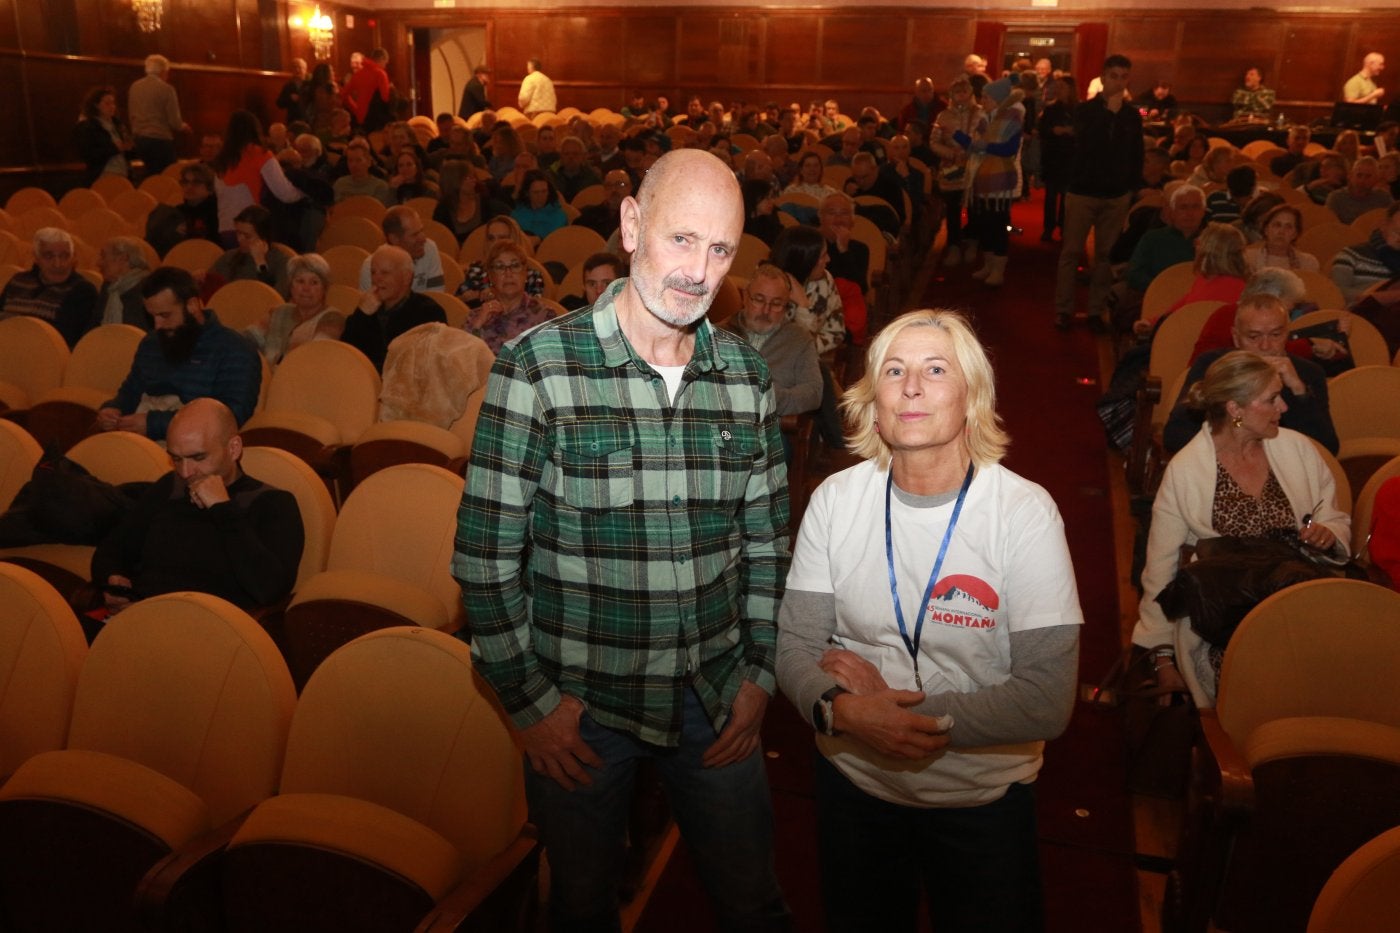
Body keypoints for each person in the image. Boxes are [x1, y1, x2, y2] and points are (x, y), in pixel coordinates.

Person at [452, 148, 790, 932]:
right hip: (583, 709)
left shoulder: (746, 378)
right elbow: (483, 560)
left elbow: (769, 540)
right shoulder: (537, 368)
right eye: (682, 239)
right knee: (581, 907)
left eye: (721, 249)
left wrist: (760, 672)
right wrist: (531, 705)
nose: (699, 271)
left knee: (754, 902)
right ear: (632, 224)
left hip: (717, 695)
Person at [776, 308, 1081, 933]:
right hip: (853, 785)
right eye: (895, 370)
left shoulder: (1024, 514)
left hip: (981, 799)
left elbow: (1046, 701)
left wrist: (888, 713)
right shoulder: (836, 501)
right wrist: (841, 710)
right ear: (872, 400)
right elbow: (794, 648)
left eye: (935, 369)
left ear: (972, 396)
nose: (911, 386)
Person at [1135, 351, 1349, 708]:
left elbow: (1333, 515)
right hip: (1223, 624)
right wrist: (1161, 655)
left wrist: (1329, 532)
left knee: (1347, 676)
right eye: (1271, 399)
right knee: (1271, 686)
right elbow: (1161, 567)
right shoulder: (1187, 471)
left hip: (1301, 607)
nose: (1283, 406)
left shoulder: (1297, 450)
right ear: (1235, 410)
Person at [91, 396, 302, 617]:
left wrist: (222, 508)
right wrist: (113, 578)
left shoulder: (273, 503)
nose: (185, 472)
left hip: (209, 629)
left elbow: (270, 589)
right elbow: (112, 549)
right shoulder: (170, 486)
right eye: (176, 459)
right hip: (143, 617)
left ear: (233, 448)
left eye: (198, 457)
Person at [98, 267, 262, 441]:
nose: (158, 325)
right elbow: (131, 390)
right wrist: (114, 409)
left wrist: (155, 424)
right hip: (139, 438)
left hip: (195, 448)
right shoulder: (151, 342)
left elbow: (230, 417)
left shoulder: (235, 350)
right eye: (152, 316)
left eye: (165, 315)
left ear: (192, 305)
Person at [1164, 294, 1338, 455]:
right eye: (1254, 337)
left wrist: (1299, 391)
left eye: (1276, 335)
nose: (1265, 346)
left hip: (1288, 469)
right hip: (1225, 464)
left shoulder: (1308, 373)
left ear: (1287, 334)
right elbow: (1176, 434)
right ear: (1236, 337)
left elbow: (1327, 448)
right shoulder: (1213, 366)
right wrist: (1239, 424)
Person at [1054, 54, 1143, 330]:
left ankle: (1096, 310)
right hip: (1083, 191)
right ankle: (1063, 309)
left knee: (1105, 254)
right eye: (1114, 76)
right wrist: (1109, 114)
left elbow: (1135, 153)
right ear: (1103, 78)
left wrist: (1132, 188)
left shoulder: (1131, 115)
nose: (1118, 82)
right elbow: (1089, 145)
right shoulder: (1086, 111)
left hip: (1115, 194)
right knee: (1071, 252)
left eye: (1123, 77)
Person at [723, 262, 822, 419]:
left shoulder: (799, 339)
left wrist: (771, 397)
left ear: (786, 306)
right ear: (745, 297)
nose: (766, 310)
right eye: (759, 300)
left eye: (776, 304)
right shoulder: (717, 333)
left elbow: (813, 392)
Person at [342, 244, 446, 372]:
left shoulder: (429, 312)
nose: (376, 279)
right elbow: (346, 352)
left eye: (385, 273)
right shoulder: (367, 309)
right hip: (363, 381)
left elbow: (429, 365)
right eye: (373, 272)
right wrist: (361, 314)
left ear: (407, 277)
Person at [962, 77, 1024, 287]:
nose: (982, 100)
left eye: (986, 97)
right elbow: (974, 145)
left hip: (1000, 181)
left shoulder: (1011, 119)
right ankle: (988, 264)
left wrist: (983, 146)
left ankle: (999, 269)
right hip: (982, 179)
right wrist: (955, 136)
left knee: (999, 225)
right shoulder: (985, 119)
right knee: (984, 225)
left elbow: (1009, 149)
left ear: (997, 99)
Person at [211, 110, 306, 246]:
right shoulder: (260, 155)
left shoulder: (222, 160)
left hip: (226, 229)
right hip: (251, 230)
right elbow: (285, 194)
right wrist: (304, 193)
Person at [0, 227, 98, 348]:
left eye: (64, 256)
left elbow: (73, 343)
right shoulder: (18, 281)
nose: (58, 264)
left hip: (48, 359)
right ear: (36, 258)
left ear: (73, 258)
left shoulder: (82, 291)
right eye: (49, 256)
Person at [245, 253, 346, 364]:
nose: (306, 288)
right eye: (300, 281)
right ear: (291, 286)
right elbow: (248, 339)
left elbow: (314, 355)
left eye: (314, 283)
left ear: (324, 288)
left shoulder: (333, 318)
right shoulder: (278, 312)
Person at [461, 239, 557, 352]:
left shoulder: (545, 316)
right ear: (491, 277)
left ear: (525, 273)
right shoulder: (475, 317)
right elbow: (462, 361)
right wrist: (477, 325)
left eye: (515, 266)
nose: (508, 273)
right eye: (500, 267)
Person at [930, 74, 984, 268]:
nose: (961, 95)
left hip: (974, 167)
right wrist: (950, 153)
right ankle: (953, 244)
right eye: (957, 92)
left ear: (970, 93)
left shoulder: (980, 113)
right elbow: (934, 141)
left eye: (964, 91)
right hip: (952, 168)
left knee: (974, 207)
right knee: (952, 208)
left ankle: (972, 241)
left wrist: (970, 150)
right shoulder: (944, 115)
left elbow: (985, 138)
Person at [772, 224, 845, 355]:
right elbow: (777, 346)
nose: (828, 259)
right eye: (823, 256)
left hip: (808, 359)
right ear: (805, 261)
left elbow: (836, 332)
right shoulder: (770, 287)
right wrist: (803, 307)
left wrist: (802, 304)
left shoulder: (825, 279)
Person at [205, 205, 291, 297]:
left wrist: (260, 263)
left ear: (263, 238)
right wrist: (203, 279)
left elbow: (274, 298)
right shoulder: (229, 257)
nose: (239, 239)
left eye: (247, 236)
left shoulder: (281, 260)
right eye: (238, 233)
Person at [457, 216, 546, 304]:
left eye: (502, 238)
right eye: (491, 238)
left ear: (514, 241)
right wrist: (467, 298)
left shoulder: (531, 275)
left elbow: (536, 309)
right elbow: (455, 303)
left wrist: (497, 295)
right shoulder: (475, 270)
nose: (495, 243)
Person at [127, 54, 188, 175]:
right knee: (168, 176)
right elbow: (174, 122)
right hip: (160, 141)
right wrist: (183, 126)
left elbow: (131, 114)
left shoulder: (135, 87)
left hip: (140, 140)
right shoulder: (166, 89)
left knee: (150, 176)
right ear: (163, 71)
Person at [145, 161, 221, 257]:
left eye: (196, 182)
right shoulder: (176, 213)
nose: (189, 187)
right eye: (185, 182)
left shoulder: (218, 213)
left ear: (210, 189)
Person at [1332, 201, 1400, 305]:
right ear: (1384, 226)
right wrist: (1380, 297)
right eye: (1397, 232)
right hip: (1357, 316)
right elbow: (1336, 292)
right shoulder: (1351, 255)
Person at [73, 85, 132, 186]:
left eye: (113, 103)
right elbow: (88, 154)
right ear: (96, 105)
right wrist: (114, 148)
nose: (112, 107)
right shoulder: (89, 126)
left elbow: (125, 151)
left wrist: (129, 147)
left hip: (123, 172)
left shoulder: (117, 124)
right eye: (107, 103)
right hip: (104, 174)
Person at [93, 236, 152, 330]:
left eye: (103, 256)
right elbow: (94, 324)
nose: (98, 263)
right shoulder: (108, 286)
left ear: (123, 259)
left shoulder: (148, 287)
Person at [1244, 203, 1320, 273]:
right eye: (1277, 225)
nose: (1281, 231)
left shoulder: (1308, 263)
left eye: (1288, 227)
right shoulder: (1248, 259)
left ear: (1295, 234)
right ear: (1266, 229)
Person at [1325, 155, 1394, 224]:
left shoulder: (1383, 198)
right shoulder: (1336, 198)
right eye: (1359, 175)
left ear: (1376, 178)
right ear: (1350, 176)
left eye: (1368, 176)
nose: (1362, 180)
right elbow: (1329, 227)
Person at [341, 47, 393, 132]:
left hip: (360, 119)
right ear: (382, 59)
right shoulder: (380, 74)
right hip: (376, 121)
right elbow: (385, 98)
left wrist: (356, 109)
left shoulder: (358, 74)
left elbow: (343, 94)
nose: (385, 66)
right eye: (385, 63)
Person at [510, 169, 568, 241]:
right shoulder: (516, 216)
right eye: (536, 192)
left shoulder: (559, 217)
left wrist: (538, 240)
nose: (540, 196)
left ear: (549, 192)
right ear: (527, 193)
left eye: (544, 191)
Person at [332, 137, 392, 206]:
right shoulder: (340, 184)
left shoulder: (379, 186)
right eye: (350, 161)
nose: (353, 165)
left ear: (368, 162)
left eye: (358, 160)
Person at [276, 58, 309, 123]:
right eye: (295, 67)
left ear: (305, 70)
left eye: (300, 67)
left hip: (308, 120)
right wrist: (290, 98)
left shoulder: (310, 85)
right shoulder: (288, 86)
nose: (297, 70)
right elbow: (279, 103)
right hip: (292, 121)